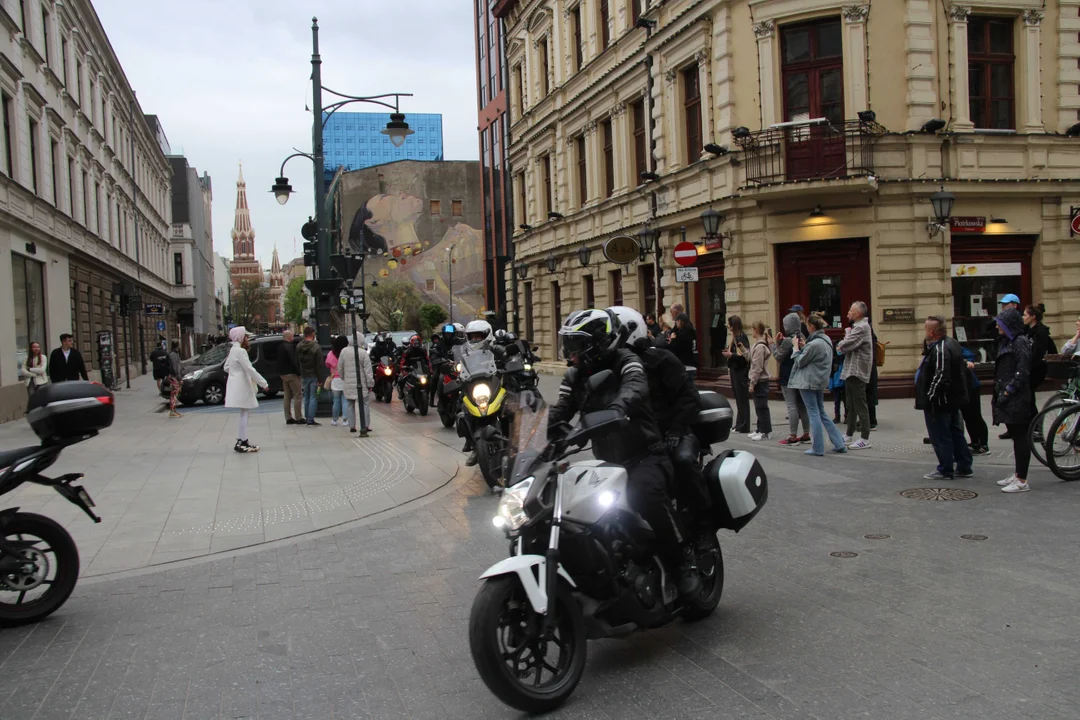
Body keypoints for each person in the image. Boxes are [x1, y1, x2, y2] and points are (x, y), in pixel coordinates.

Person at [549, 308, 700, 597]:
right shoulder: (574, 375)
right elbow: (561, 409)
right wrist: (539, 432)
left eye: (576, 345)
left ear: (598, 343)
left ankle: (682, 562)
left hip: (645, 454)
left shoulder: (628, 362)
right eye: (568, 345)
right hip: (607, 461)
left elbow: (634, 389)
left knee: (646, 494)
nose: (570, 352)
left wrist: (618, 409)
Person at [607, 306, 708, 509]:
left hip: (671, 431)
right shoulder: (611, 367)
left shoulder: (661, 359)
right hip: (637, 438)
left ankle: (703, 522)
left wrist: (676, 430)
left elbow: (689, 397)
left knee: (684, 461)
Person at [915, 317, 972, 480]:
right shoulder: (950, 343)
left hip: (940, 401)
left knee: (941, 435)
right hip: (952, 399)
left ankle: (945, 468)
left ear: (932, 332)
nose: (924, 331)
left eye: (926, 329)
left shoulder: (941, 348)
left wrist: (930, 397)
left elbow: (941, 376)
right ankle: (964, 465)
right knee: (955, 432)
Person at [789, 314, 849, 456]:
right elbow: (813, 355)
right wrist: (805, 347)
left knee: (813, 413)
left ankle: (817, 447)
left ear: (812, 326)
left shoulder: (814, 344)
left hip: (808, 381)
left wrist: (796, 348)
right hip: (820, 380)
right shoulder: (825, 340)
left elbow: (799, 361)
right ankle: (839, 443)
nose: (806, 327)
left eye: (807, 325)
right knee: (821, 412)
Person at [992, 308, 1034, 493]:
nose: (996, 326)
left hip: (1017, 397)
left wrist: (1009, 390)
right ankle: (1017, 473)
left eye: (1000, 323)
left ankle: (1022, 479)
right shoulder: (1008, 341)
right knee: (1016, 435)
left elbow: (1023, 369)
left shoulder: (1020, 342)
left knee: (1020, 436)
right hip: (1009, 396)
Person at [835, 301, 874, 450]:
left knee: (860, 404)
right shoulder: (858, 327)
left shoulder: (862, 327)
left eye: (851, 310)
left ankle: (865, 437)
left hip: (857, 371)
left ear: (858, 313)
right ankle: (849, 434)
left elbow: (845, 345)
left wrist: (842, 343)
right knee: (850, 404)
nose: (848, 313)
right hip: (851, 370)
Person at [224, 326, 268, 453]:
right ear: (241, 337)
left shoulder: (233, 350)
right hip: (242, 385)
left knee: (244, 413)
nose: (248, 339)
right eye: (246, 336)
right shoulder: (241, 352)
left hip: (235, 384)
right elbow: (250, 369)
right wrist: (263, 383)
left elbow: (226, 367)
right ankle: (243, 441)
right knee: (245, 413)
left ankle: (241, 440)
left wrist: (235, 372)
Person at [773, 313, 810, 445]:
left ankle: (793, 436)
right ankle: (806, 434)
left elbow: (778, 356)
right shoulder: (802, 337)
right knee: (802, 405)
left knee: (791, 405)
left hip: (788, 376)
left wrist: (773, 344)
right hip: (800, 376)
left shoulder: (789, 340)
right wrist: (780, 342)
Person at [1023, 304, 1055, 423]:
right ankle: (1032, 425)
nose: (1023, 317)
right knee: (1028, 397)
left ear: (1033, 317)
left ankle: (1036, 426)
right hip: (1028, 368)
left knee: (1028, 396)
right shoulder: (1027, 330)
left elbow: (1038, 353)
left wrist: (1028, 366)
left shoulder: (1040, 332)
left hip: (1036, 369)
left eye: (1025, 315)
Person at [338, 333, 374, 435]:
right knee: (365, 404)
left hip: (348, 383)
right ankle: (365, 425)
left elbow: (340, 368)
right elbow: (368, 371)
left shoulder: (343, 352)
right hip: (361, 384)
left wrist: (344, 378)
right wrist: (370, 384)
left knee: (350, 404)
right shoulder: (363, 353)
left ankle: (352, 426)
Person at [722, 316, 751, 433]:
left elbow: (743, 356)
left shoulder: (741, 337)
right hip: (735, 369)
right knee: (738, 398)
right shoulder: (735, 337)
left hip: (740, 371)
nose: (728, 326)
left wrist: (731, 355)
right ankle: (739, 424)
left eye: (729, 324)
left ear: (733, 325)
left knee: (742, 398)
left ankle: (744, 425)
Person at [960, 347, 989, 456]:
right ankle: (975, 442)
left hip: (970, 385)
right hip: (962, 386)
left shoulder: (951, 344)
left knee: (975, 415)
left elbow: (969, 354)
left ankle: (984, 445)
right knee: (967, 416)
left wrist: (967, 361)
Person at [747, 321, 773, 441]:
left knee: (761, 407)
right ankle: (759, 428)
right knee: (758, 406)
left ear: (756, 330)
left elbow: (757, 367)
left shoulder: (760, 347)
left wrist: (752, 383)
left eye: (752, 329)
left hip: (760, 381)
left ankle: (765, 431)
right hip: (760, 380)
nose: (751, 332)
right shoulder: (758, 345)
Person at [297, 327, 323, 426]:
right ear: (312, 334)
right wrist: (320, 378)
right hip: (313, 374)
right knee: (313, 397)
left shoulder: (299, 346)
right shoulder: (316, 347)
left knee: (306, 396)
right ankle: (310, 419)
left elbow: (297, 361)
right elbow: (319, 364)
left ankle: (307, 416)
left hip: (304, 374)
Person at [277, 330, 303, 425]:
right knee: (298, 394)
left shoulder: (280, 346)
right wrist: (298, 372)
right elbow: (294, 361)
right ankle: (299, 417)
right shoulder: (290, 347)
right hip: (292, 374)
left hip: (283, 374)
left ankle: (288, 417)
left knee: (287, 396)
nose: (293, 338)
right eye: (292, 336)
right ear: (289, 337)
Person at [397, 334, 432, 398]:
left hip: (420, 369)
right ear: (412, 343)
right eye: (415, 343)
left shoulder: (423, 350)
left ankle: (428, 394)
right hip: (410, 369)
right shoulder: (407, 351)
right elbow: (402, 361)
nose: (416, 344)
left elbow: (428, 360)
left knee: (430, 380)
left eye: (418, 343)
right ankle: (401, 392)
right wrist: (403, 367)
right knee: (401, 379)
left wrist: (430, 369)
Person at [668, 313, 698, 380]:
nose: (675, 323)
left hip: (684, 361)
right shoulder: (688, 330)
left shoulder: (684, 334)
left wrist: (672, 340)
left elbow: (676, 347)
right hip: (688, 361)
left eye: (676, 321)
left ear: (680, 321)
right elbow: (674, 330)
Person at [327, 335, 348, 426]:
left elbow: (327, 364)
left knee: (336, 401)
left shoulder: (331, 353)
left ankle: (335, 420)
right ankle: (345, 420)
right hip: (345, 378)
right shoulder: (346, 353)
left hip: (335, 379)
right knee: (345, 400)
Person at [166, 341, 183, 419]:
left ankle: (174, 410)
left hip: (173, 376)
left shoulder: (175, 354)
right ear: (177, 345)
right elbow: (175, 367)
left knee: (175, 393)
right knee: (174, 394)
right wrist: (179, 378)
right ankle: (172, 411)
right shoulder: (173, 355)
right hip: (173, 377)